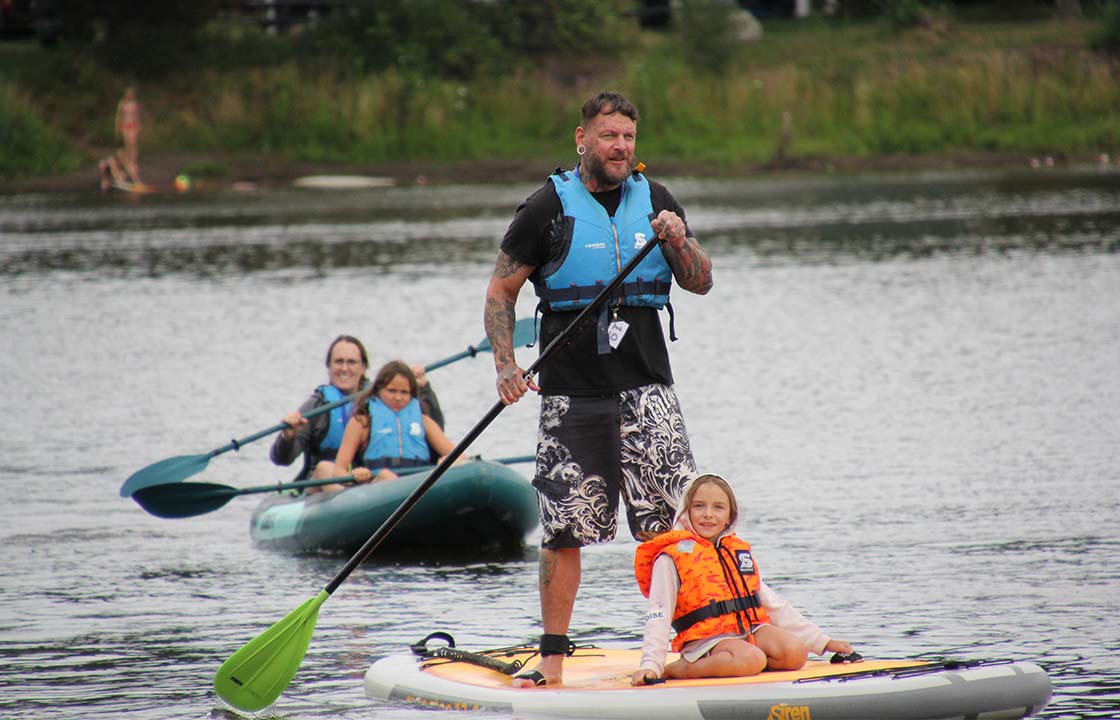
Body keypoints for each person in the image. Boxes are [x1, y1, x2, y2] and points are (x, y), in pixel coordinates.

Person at [482, 91, 714, 687]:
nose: (620, 147)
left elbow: (701, 282)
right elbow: (501, 291)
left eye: (628, 137)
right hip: (572, 394)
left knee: (673, 524)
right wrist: (507, 366)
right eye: (609, 135)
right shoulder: (545, 209)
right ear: (581, 138)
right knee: (564, 531)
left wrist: (678, 240)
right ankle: (552, 660)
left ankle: (693, 644)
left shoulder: (656, 200)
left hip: (648, 387)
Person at [631, 474, 855, 686]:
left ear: (730, 515)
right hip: (706, 641)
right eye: (699, 506)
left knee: (795, 652)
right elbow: (659, 613)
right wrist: (652, 665)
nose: (708, 514)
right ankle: (680, 669)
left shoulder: (737, 552)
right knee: (751, 659)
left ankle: (745, 661)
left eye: (718, 507)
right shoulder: (671, 557)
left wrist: (823, 642)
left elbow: (773, 604)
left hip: (750, 631)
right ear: (685, 511)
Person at [269, 336, 444, 489]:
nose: (344, 368)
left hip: (378, 481)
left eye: (351, 362)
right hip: (332, 485)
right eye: (339, 362)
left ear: (364, 367)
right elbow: (282, 459)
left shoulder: (389, 398)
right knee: (324, 468)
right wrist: (287, 437)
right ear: (328, 366)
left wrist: (425, 389)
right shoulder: (318, 406)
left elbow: (429, 431)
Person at [314, 360, 460, 493]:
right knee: (385, 476)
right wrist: (354, 475)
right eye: (391, 391)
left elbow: (458, 455)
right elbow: (339, 471)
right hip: (376, 487)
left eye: (404, 392)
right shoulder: (361, 422)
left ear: (412, 394)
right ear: (378, 390)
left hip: (418, 486)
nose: (398, 397)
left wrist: (449, 461)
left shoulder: (424, 421)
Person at [114, 86, 143, 183]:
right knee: (128, 144)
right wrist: (117, 127)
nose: (130, 95)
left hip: (134, 125)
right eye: (129, 93)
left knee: (133, 143)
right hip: (126, 125)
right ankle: (128, 162)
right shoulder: (122, 104)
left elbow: (137, 115)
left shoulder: (136, 104)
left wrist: (139, 125)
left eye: (131, 93)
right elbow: (119, 116)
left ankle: (133, 162)